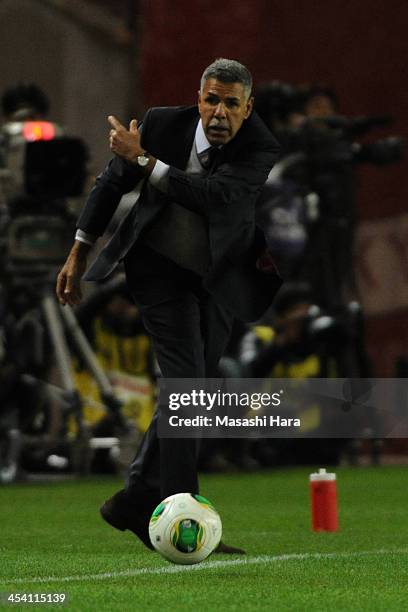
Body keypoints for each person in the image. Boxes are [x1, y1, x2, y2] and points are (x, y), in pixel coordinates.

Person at [56, 58, 281, 554]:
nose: (218, 113)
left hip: (220, 276)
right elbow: (111, 183)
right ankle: (186, 518)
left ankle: (136, 498)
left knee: (196, 389)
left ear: (248, 108)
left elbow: (213, 197)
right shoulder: (161, 124)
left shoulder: (261, 147)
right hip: (159, 269)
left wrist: (146, 162)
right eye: (211, 100)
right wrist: (79, 248)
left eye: (231, 104)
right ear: (199, 98)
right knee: (185, 387)